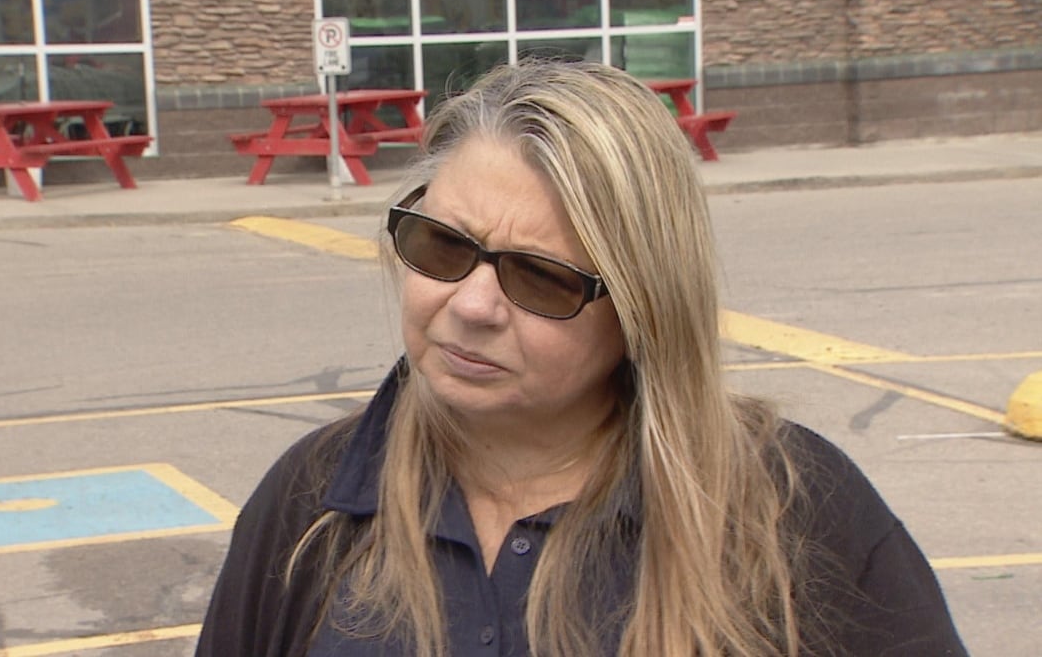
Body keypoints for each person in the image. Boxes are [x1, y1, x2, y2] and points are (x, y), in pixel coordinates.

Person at [195, 59, 967, 657]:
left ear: (643, 310)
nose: (470, 305)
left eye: (539, 277)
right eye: (442, 245)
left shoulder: (792, 511)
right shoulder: (310, 506)